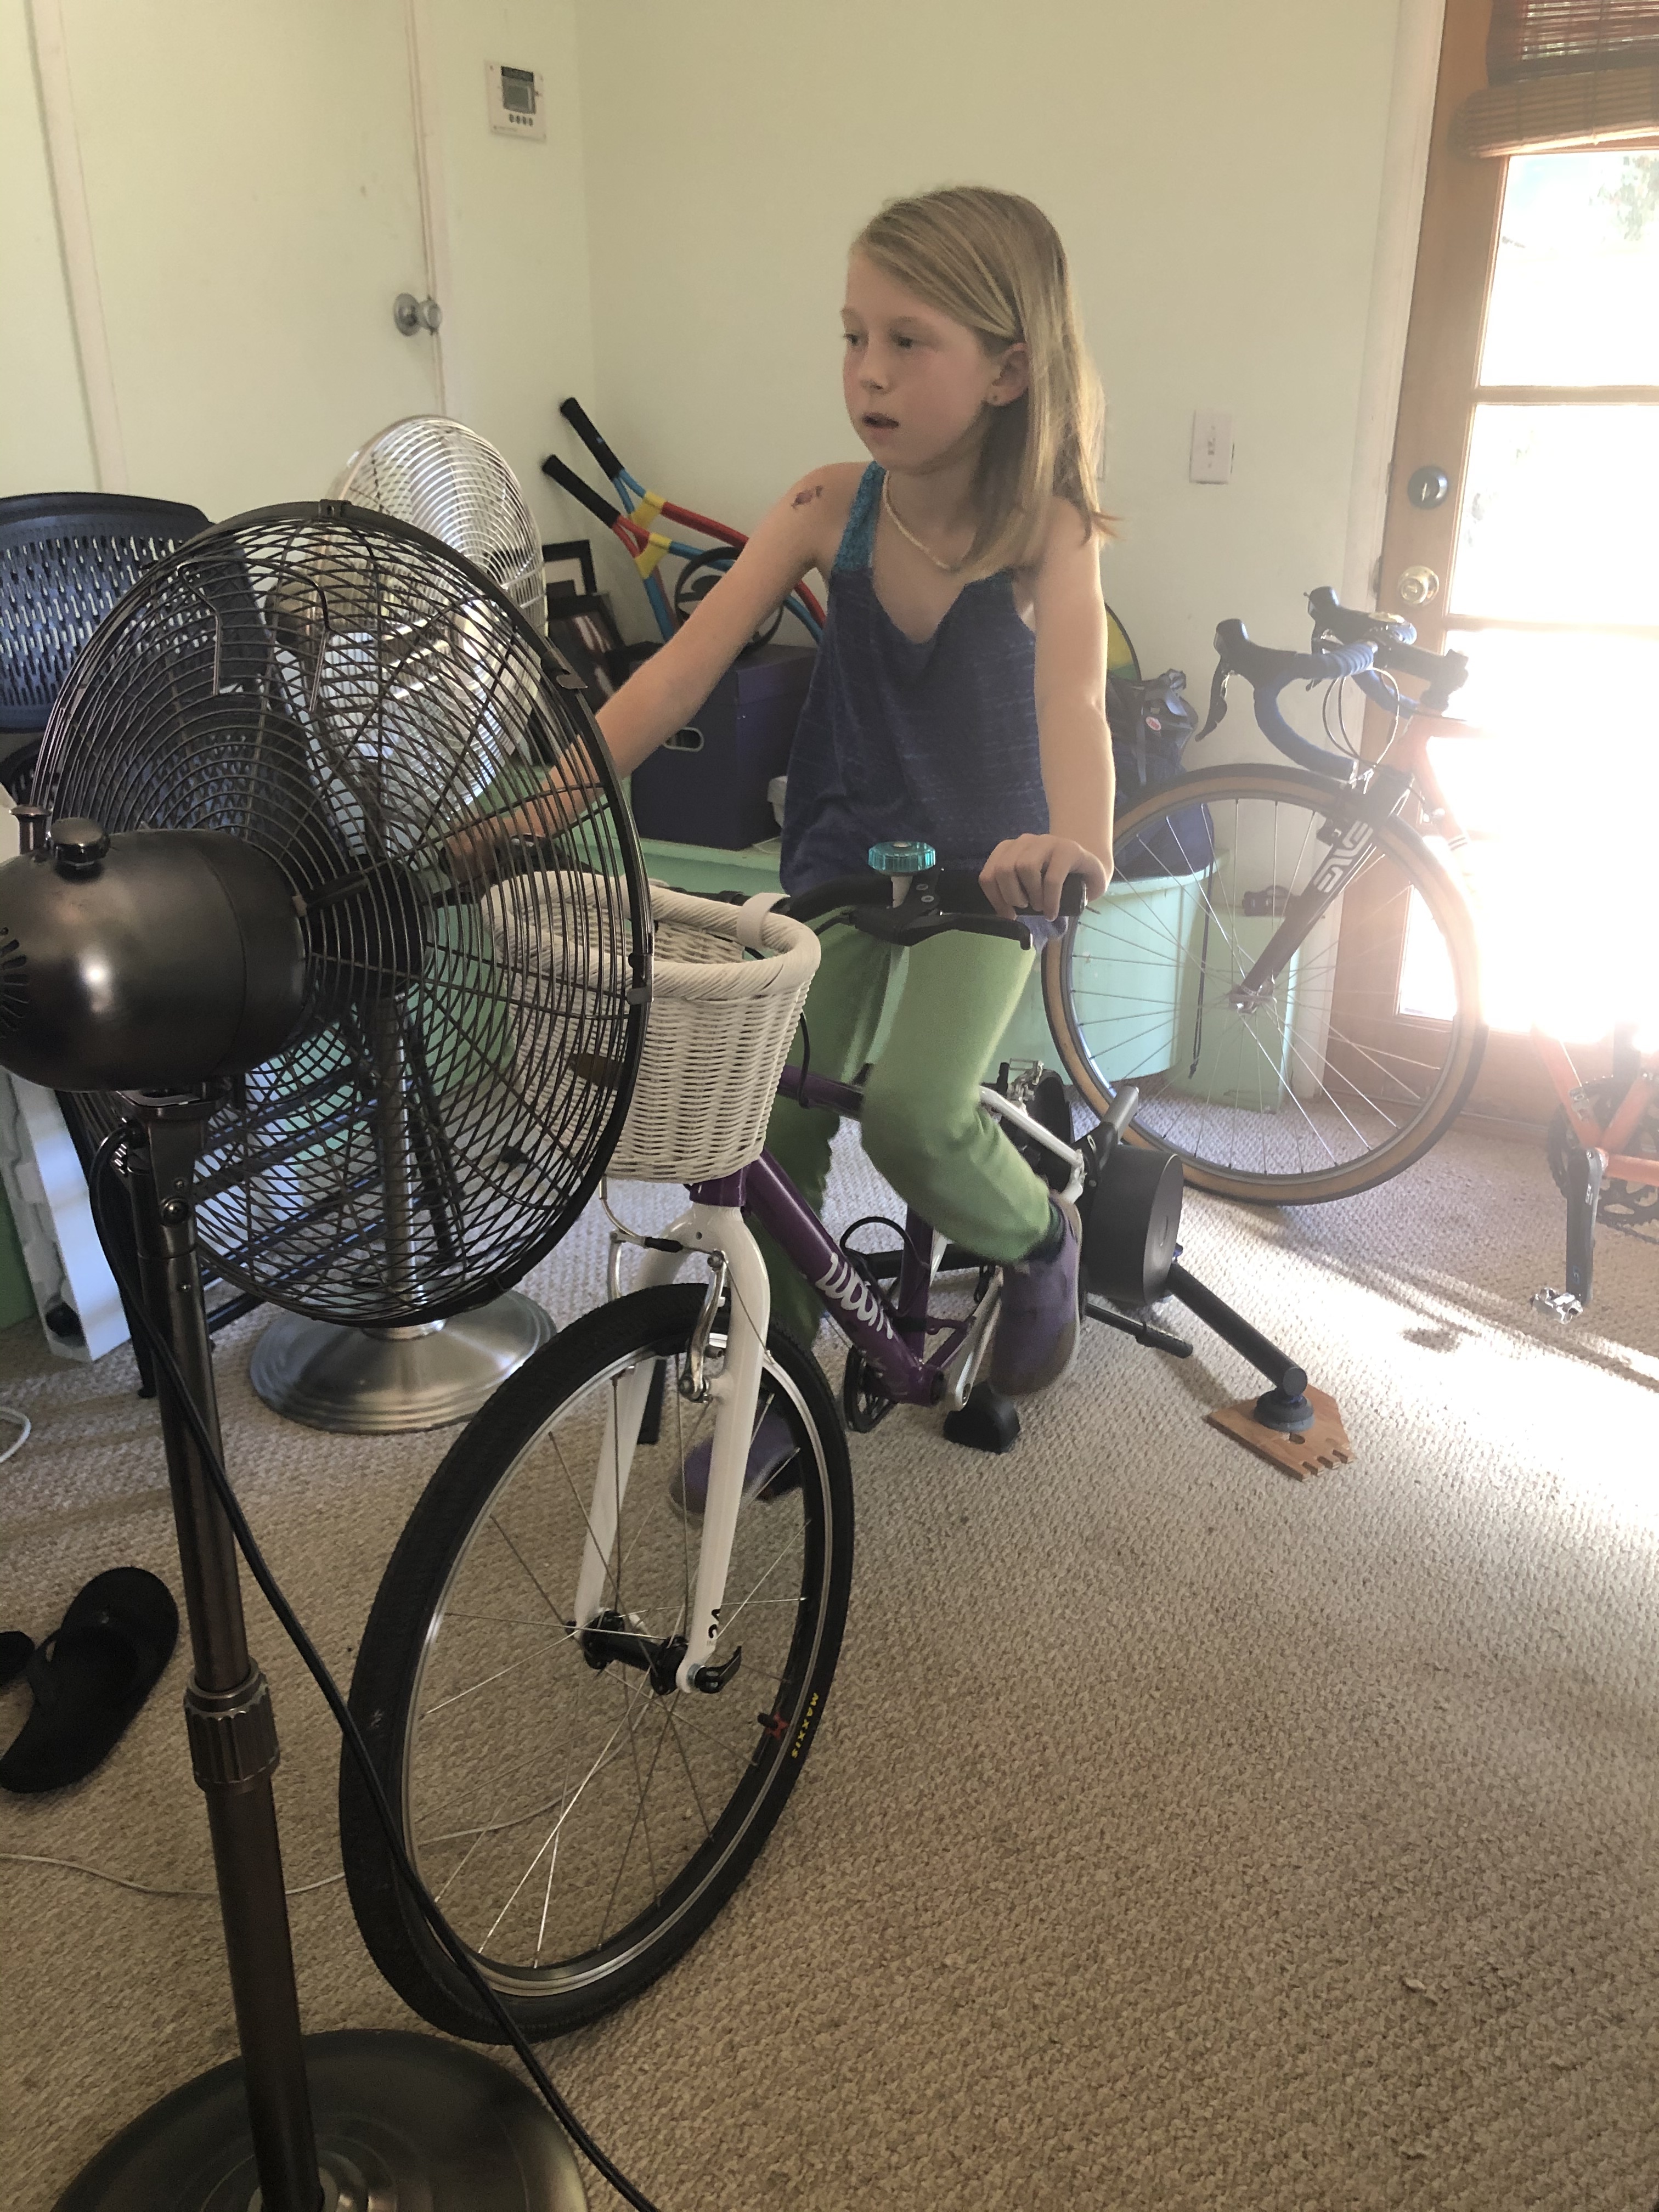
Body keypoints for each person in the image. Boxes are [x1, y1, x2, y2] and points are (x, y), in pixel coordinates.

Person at [570, 185, 1114, 1400]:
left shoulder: (1051, 530)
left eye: (909, 340)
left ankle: (1041, 1243)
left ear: (1008, 371)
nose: (868, 371)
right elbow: (677, 675)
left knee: (916, 1115)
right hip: (840, 855)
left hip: (985, 876)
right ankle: (785, 1382)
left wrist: (1076, 841)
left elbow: (1076, 702)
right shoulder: (826, 507)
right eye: (854, 335)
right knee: (771, 1119)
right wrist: (547, 799)